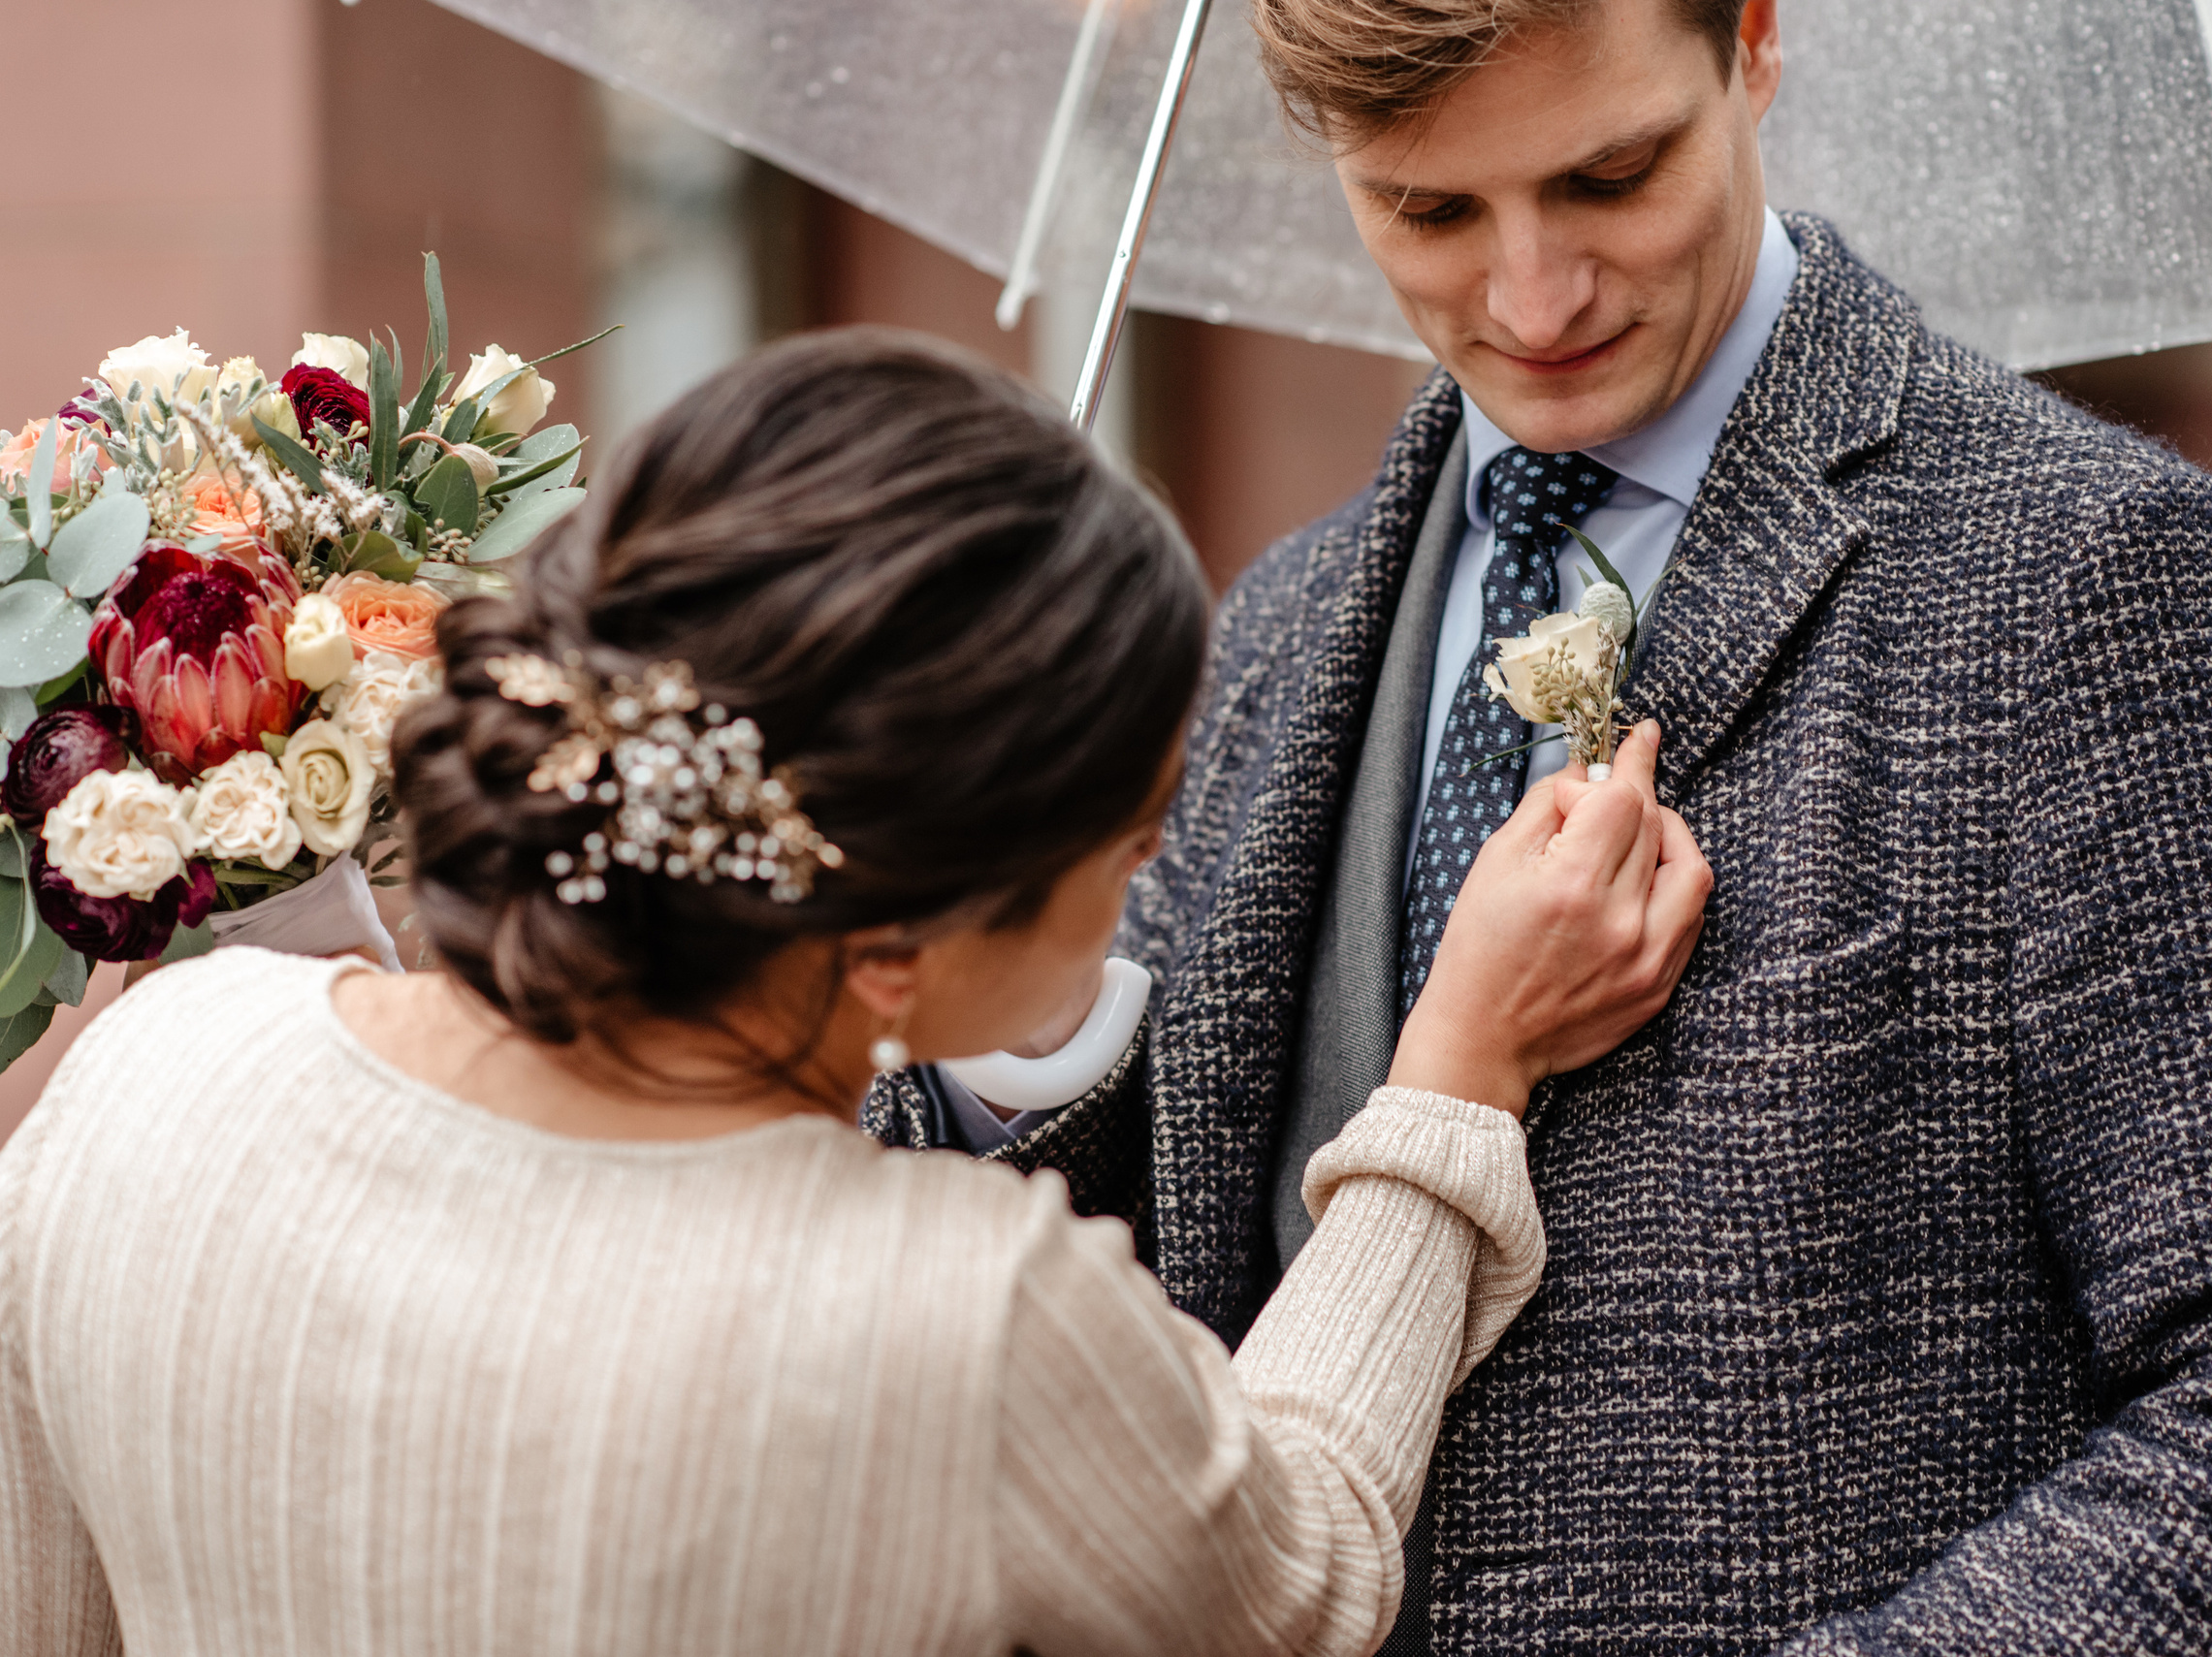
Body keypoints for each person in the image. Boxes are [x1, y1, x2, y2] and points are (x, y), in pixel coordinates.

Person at [874, 0, 2212, 1650]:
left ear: (1757, 42)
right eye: (1430, 211)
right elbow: (1142, 1327)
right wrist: (1016, 1021)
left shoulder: (2091, 576)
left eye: (1612, 175)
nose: (1532, 296)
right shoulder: (1274, 631)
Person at [0, 331, 1713, 1653]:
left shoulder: (142, 1073)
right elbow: (1306, 1569)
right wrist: (1461, 1070)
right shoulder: (960, 1317)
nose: (1149, 893)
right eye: (1132, 844)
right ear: (898, 946)